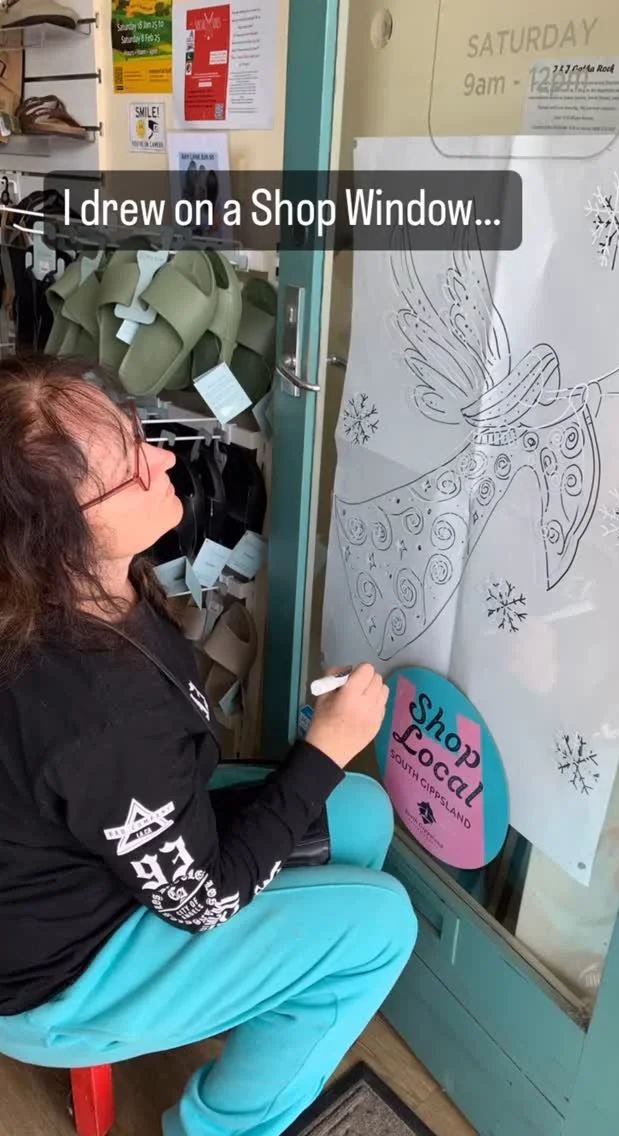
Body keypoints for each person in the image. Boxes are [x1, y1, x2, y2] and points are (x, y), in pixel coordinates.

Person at [0, 354, 418, 1136]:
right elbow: (207, 898)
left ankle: (263, 1003)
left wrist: (324, 759)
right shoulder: (96, 710)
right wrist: (325, 749)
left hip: (85, 871)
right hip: (54, 981)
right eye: (132, 468)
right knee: (381, 928)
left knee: (357, 812)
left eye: (137, 434)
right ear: (60, 534)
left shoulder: (76, 591)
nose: (163, 460)